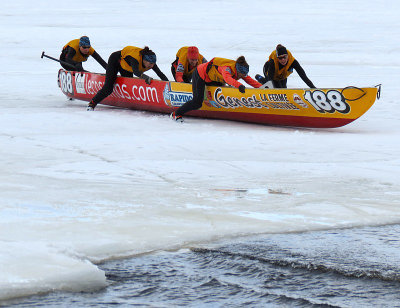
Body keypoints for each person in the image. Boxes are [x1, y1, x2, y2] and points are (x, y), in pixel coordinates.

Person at [170, 56, 262, 122]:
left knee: (224, 89)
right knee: (197, 103)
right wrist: (239, 85)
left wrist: (262, 88)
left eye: (244, 74)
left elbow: (250, 81)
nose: (243, 76)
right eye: (242, 74)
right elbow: (228, 79)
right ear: (238, 71)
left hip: (211, 78)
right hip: (200, 74)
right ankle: (176, 114)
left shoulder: (240, 71)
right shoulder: (227, 69)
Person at [87, 46, 168, 110]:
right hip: (115, 60)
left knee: (128, 86)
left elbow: (160, 73)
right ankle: (92, 103)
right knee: (108, 88)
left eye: (154, 64)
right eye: (150, 63)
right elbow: (136, 72)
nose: (152, 66)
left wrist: (168, 83)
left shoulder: (151, 62)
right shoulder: (135, 59)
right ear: (144, 60)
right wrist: (145, 77)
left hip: (126, 66)